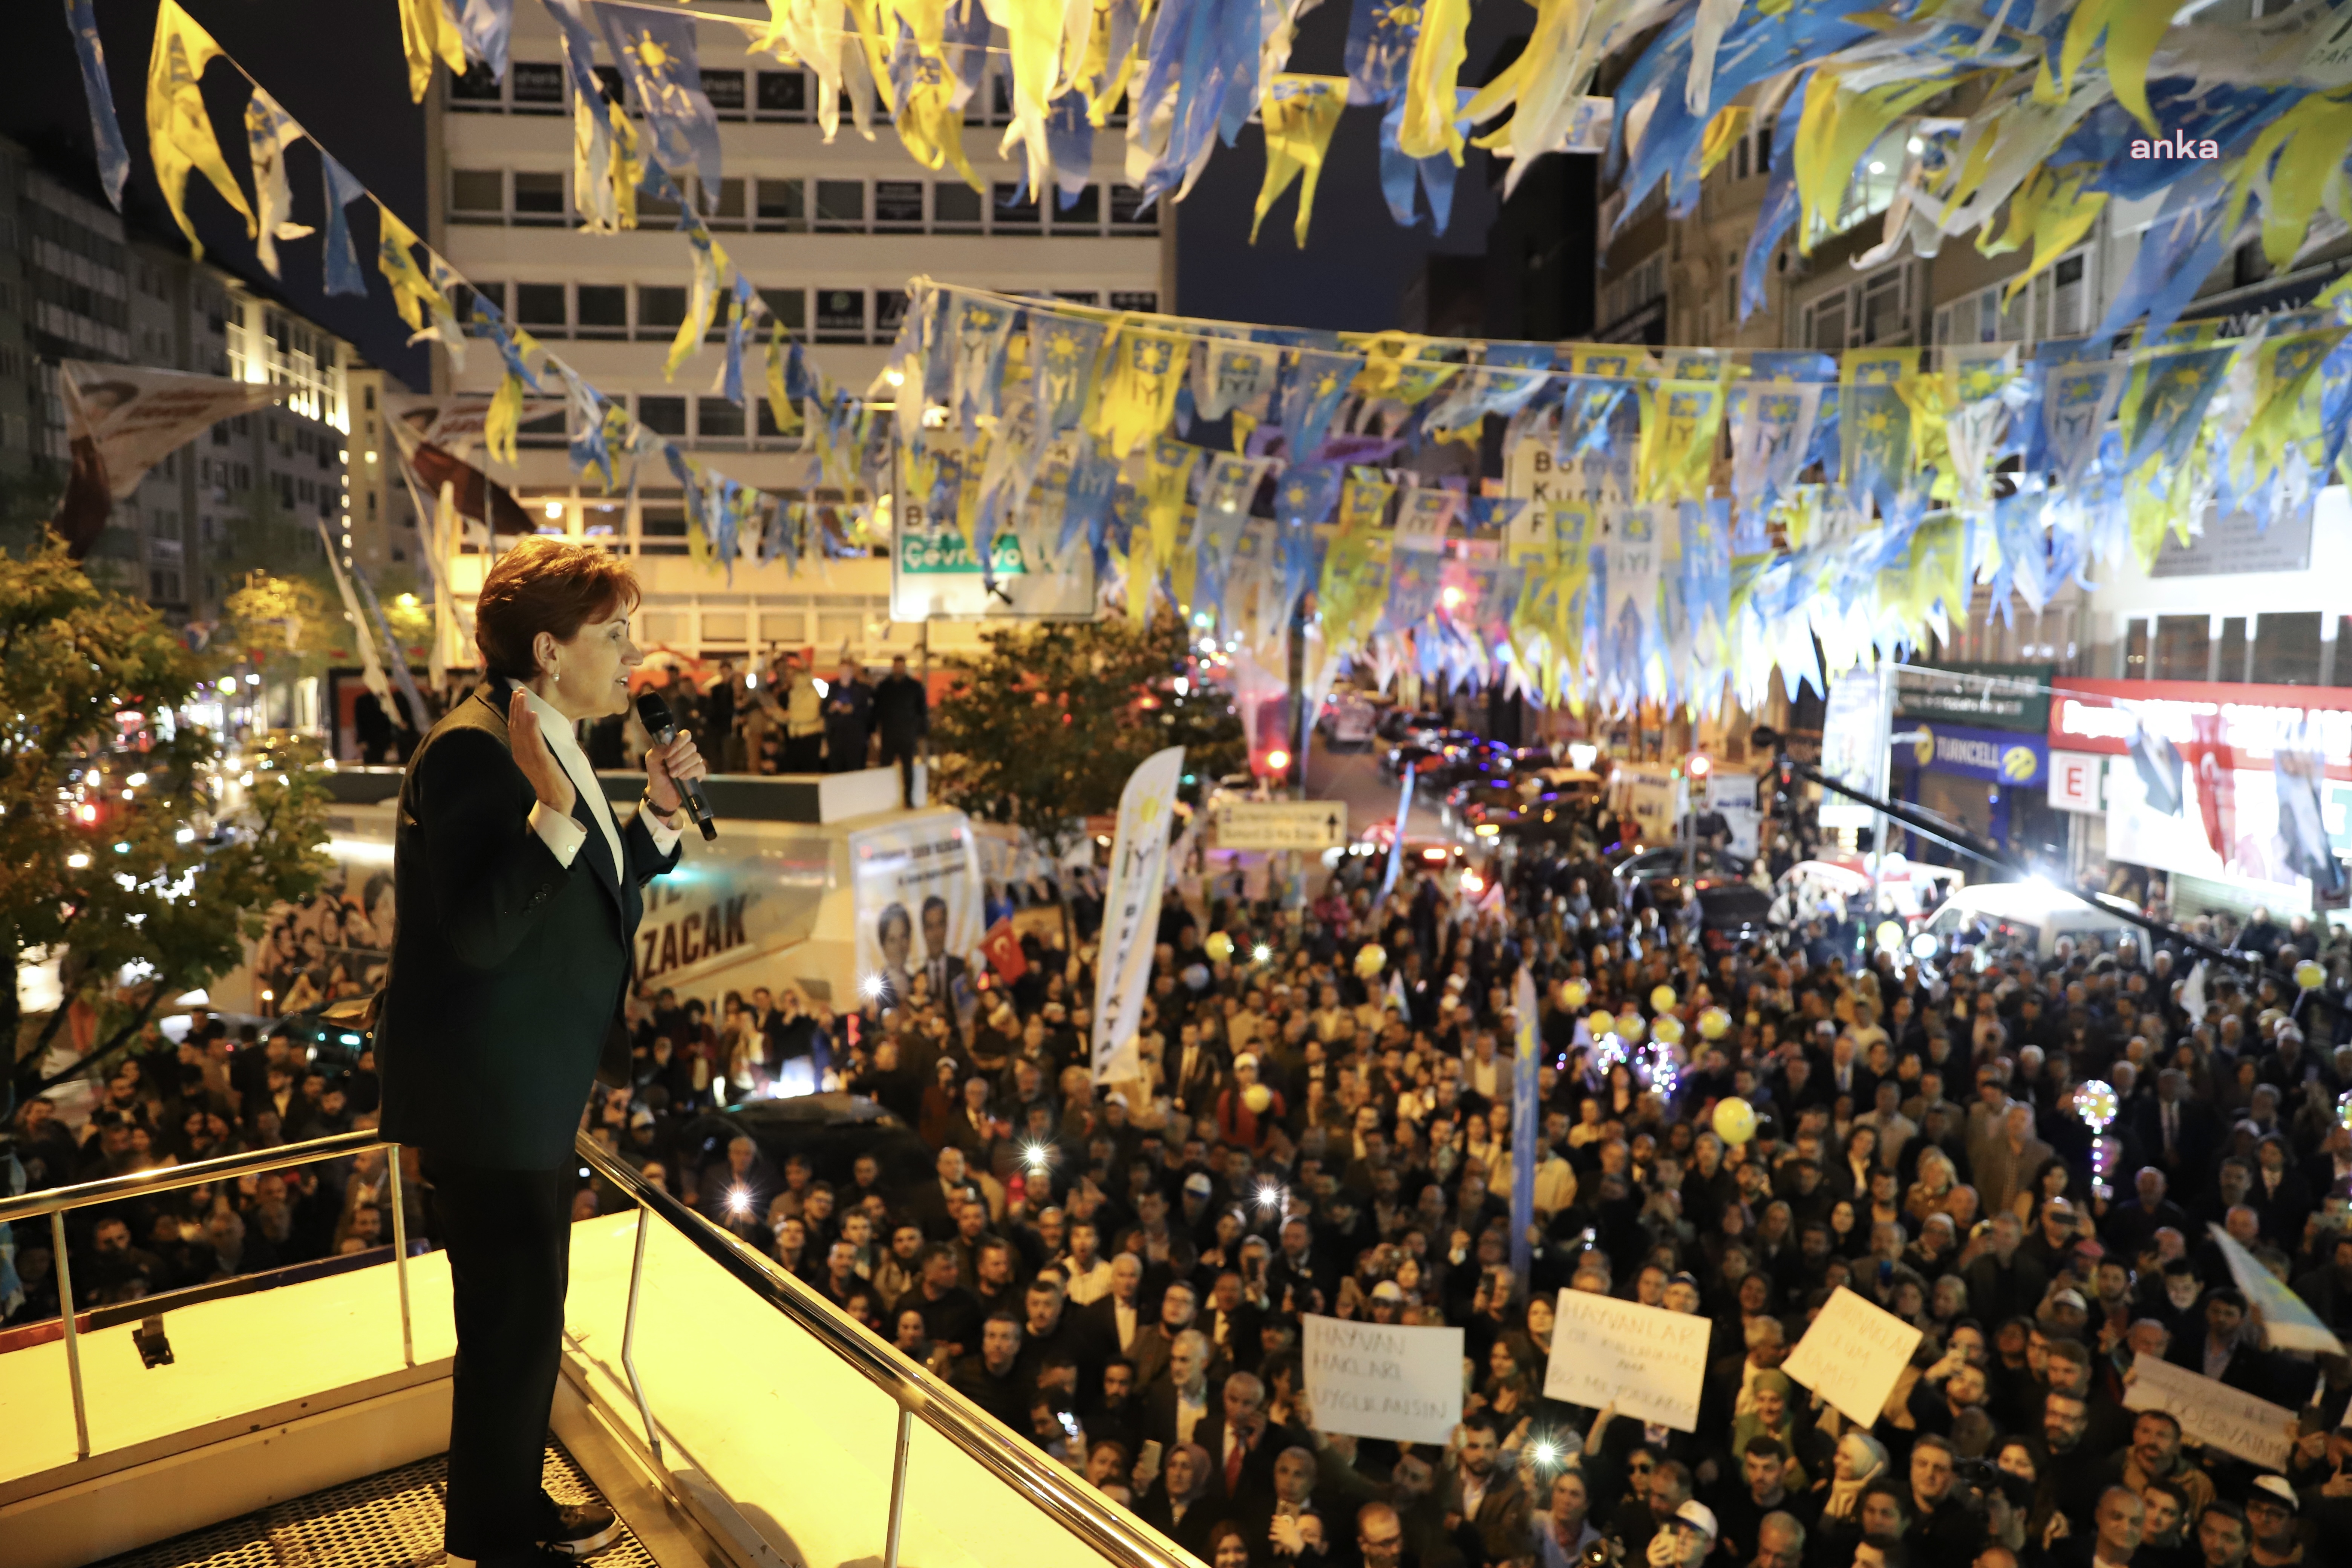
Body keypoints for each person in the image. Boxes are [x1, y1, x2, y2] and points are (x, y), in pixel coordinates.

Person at [375, 537, 706, 1568]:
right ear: (551, 649)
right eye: (614, 634)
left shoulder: (550, 733)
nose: (633, 654)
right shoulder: (480, 749)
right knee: (512, 1328)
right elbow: (482, 928)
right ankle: (495, 1536)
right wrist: (559, 813)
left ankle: (501, 1514)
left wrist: (653, 814)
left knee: (522, 1329)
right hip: (490, 1102)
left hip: (525, 1093)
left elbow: (586, 890)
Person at [873, 654, 928, 807]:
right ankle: (882, 799)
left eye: (901, 667)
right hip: (889, 734)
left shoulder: (915, 688)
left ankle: (909, 799)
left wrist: (922, 731)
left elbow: (922, 711)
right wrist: (874, 730)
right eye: (896, 667)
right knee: (885, 767)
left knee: (908, 768)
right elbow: (877, 711)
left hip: (907, 734)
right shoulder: (884, 687)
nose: (899, 670)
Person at [824, 661, 873, 772]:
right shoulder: (832, 688)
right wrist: (831, 708)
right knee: (837, 769)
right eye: (842, 671)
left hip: (855, 738)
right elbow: (824, 709)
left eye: (847, 671)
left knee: (854, 769)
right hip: (836, 737)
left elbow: (867, 713)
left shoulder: (862, 690)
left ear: (852, 673)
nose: (845, 674)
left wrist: (853, 710)